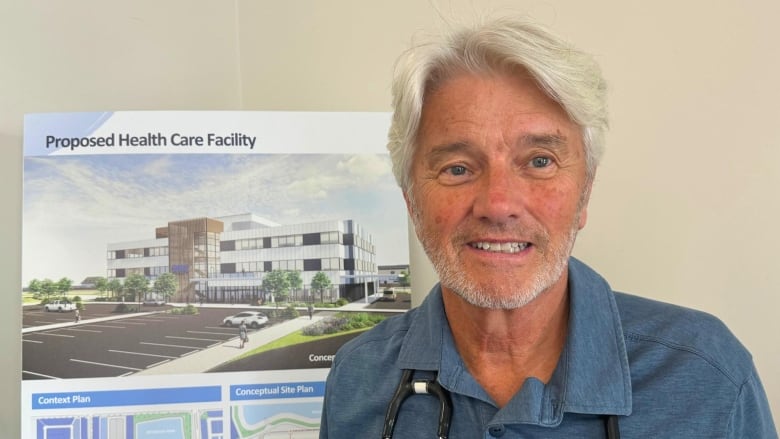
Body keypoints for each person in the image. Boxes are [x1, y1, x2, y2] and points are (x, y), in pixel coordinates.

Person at [320, 16, 777, 438]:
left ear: (585, 191)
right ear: (411, 199)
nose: (498, 204)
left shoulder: (708, 376)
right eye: (458, 168)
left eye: (540, 161)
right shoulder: (358, 377)